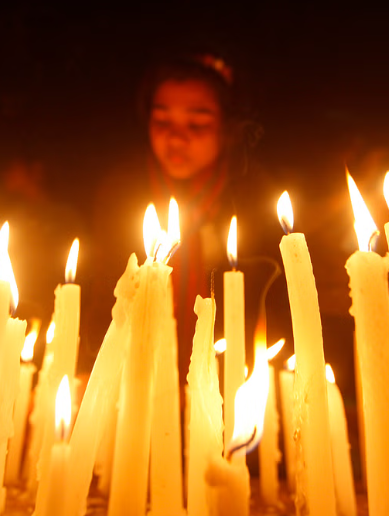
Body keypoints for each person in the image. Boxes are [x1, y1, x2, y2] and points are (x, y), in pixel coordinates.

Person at [88, 53, 284, 376]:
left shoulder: (253, 196)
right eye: (162, 121)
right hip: (136, 375)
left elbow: (272, 304)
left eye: (198, 123)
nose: (176, 138)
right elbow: (105, 293)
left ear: (228, 128)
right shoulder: (121, 193)